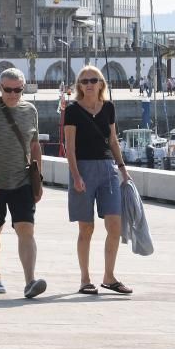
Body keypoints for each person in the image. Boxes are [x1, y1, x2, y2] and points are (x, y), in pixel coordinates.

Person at [0, 67, 46, 299]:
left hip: (22, 180)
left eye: (18, 90)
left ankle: (30, 281)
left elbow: (35, 146)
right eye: (8, 89)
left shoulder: (30, 110)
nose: (13, 94)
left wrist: (38, 179)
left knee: (26, 229)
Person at [64, 65, 133, 296]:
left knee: (115, 226)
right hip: (83, 168)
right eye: (84, 81)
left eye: (94, 80)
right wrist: (76, 176)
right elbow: (69, 147)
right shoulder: (73, 110)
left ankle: (109, 277)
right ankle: (85, 279)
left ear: (101, 83)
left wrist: (122, 169)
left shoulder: (109, 108)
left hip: (107, 170)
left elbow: (113, 141)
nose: (89, 84)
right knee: (86, 228)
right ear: (79, 86)